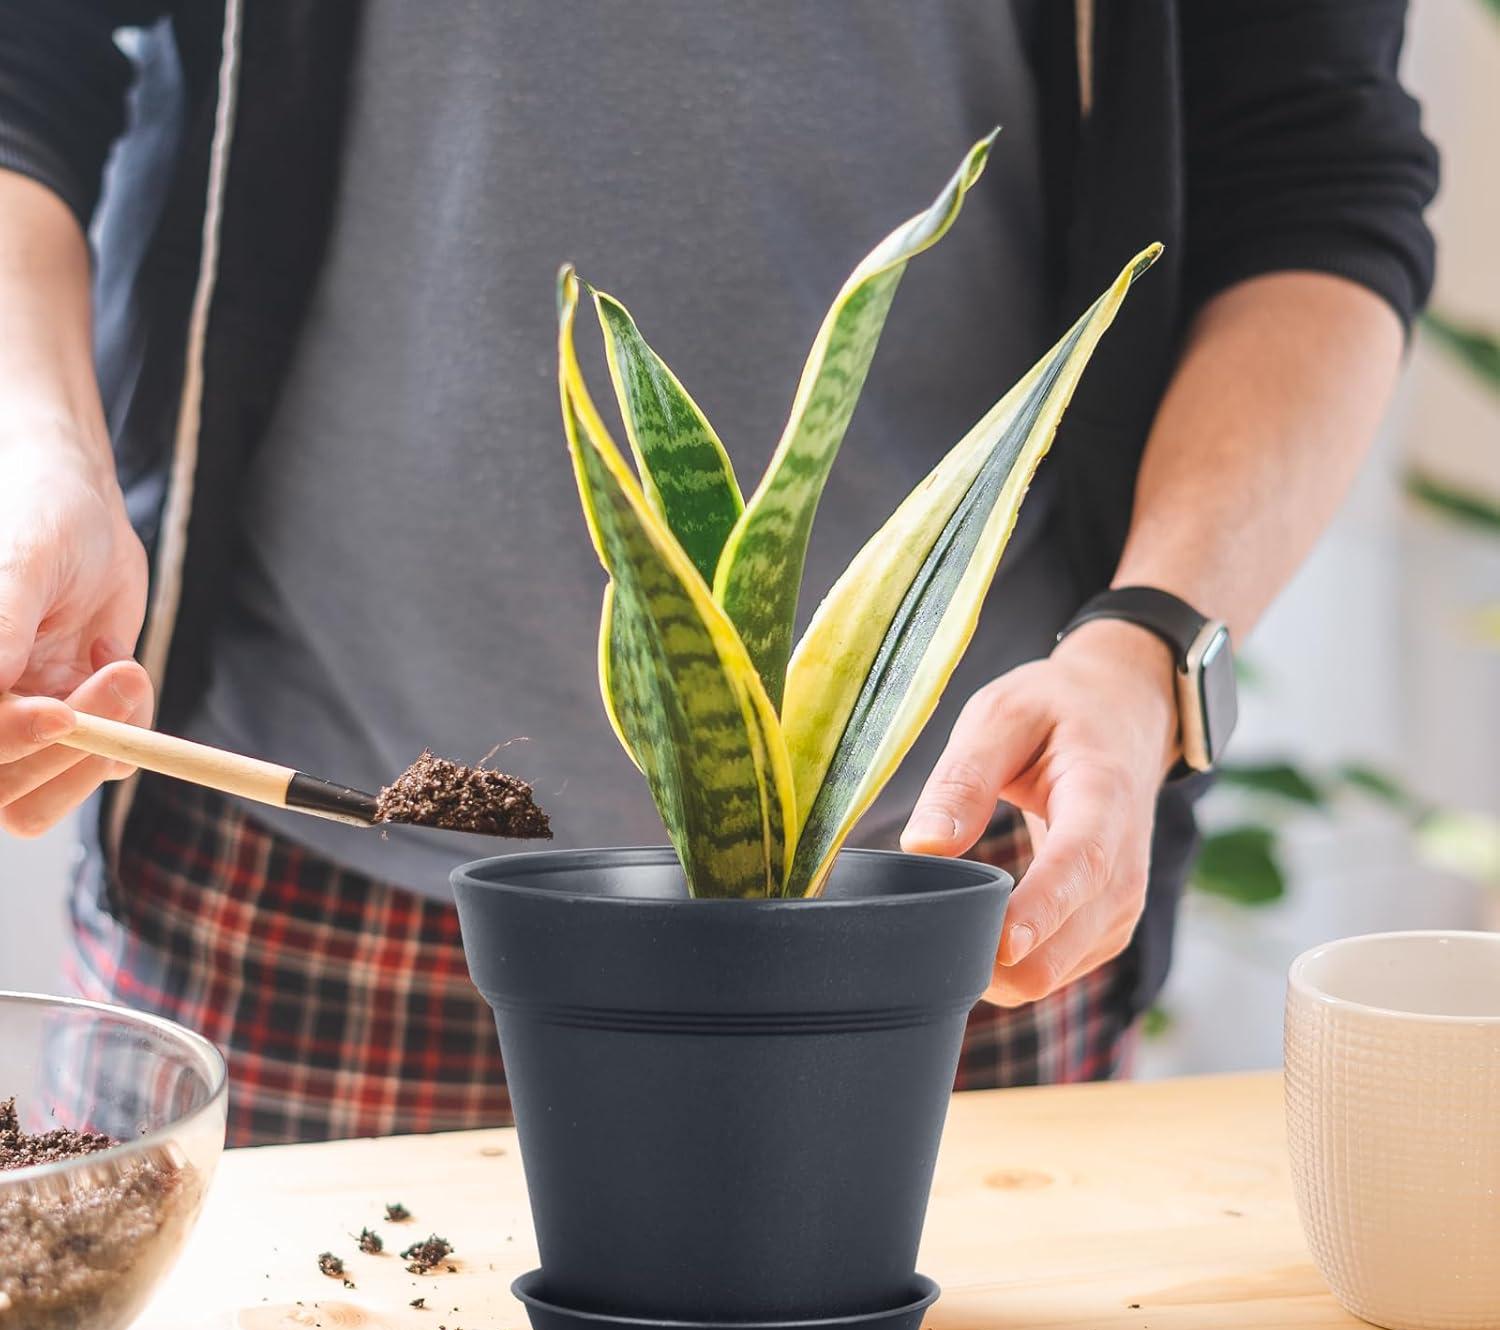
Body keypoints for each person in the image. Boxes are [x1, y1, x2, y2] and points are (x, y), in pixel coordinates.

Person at [0, 3, 1436, 1145]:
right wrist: (41, 455)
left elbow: (1311, 178)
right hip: (292, 902)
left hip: (937, 918)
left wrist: (1149, 642)